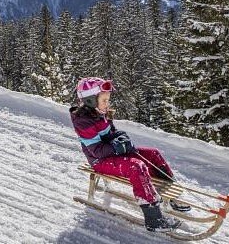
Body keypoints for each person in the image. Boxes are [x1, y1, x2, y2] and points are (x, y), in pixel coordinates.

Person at [70, 77, 187, 232]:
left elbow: (111, 132)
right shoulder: (83, 121)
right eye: (104, 100)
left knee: (153, 154)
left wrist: (121, 136)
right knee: (136, 166)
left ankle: (170, 195)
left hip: (112, 154)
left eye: (108, 99)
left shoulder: (100, 112)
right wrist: (118, 146)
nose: (107, 103)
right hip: (100, 161)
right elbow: (96, 150)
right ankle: (154, 219)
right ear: (91, 101)